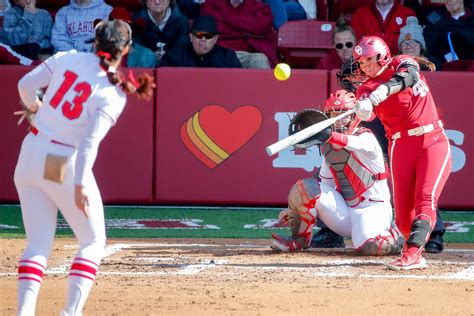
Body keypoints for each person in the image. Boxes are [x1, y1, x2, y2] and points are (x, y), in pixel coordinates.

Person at [14, 19, 155, 315]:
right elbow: (89, 144)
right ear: (126, 49)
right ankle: (70, 313)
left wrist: (35, 108)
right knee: (92, 241)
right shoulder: (113, 92)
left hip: (31, 151)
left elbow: (24, 85)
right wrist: (79, 185)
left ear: (96, 40)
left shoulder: (67, 58)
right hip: (60, 160)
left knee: (38, 243)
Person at [353, 36, 452, 270]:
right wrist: (364, 106)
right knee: (404, 219)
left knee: (425, 198)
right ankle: (411, 243)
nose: (365, 66)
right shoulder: (366, 88)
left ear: (383, 55)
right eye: (362, 62)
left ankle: (413, 253)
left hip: (432, 139)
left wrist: (383, 91)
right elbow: (368, 114)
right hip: (400, 146)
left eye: (369, 60)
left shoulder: (402, 62)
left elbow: (409, 77)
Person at [271, 90, 402, 256]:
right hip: (344, 212)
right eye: (333, 113)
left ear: (354, 115)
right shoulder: (327, 145)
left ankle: (398, 237)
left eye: (344, 114)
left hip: (373, 208)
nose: (339, 119)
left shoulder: (366, 137)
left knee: (369, 247)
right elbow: (325, 186)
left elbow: (350, 143)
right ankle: (299, 240)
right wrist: (295, 211)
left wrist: (329, 136)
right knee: (306, 187)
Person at [201, 0, 278, 69]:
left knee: (260, 59)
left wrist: (227, 19)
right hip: (221, 52)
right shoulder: (212, 4)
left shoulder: (257, 6)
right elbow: (213, 27)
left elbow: (261, 26)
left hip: (248, 53)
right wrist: (245, 26)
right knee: (213, 59)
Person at [160, 15, 242, 68]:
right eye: (198, 35)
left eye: (208, 35)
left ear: (215, 39)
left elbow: (237, 83)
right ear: (191, 36)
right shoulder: (173, 56)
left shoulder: (228, 57)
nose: (203, 39)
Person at [131, 0, 189, 66]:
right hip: (145, 65)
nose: (157, 2)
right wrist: (151, 56)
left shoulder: (182, 20)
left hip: (172, 65)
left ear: (169, 1)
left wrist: (166, 56)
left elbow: (181, 47)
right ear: (146, 2)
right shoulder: (136, 20)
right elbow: (136, 46)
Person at [351, 0, 415, 55]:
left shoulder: (407, 14)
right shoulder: (360, 14)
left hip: (398, 61)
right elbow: (356, 44)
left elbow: (412, 46)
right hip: (370, 62)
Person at [423, 0, 474, 67]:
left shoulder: (472, 15)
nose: (451, 1)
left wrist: (457, 29)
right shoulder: (435, 16)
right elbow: (428, 42)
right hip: (443, 66)